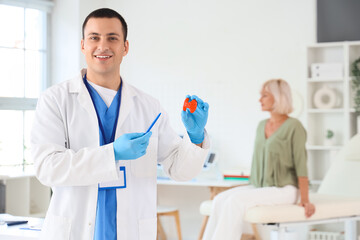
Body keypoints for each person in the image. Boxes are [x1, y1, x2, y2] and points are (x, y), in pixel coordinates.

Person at [31, 8, 210, 240]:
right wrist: (112, 153)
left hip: (131, 230)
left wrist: (194, 138)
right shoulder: (56, 99)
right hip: (74, 229)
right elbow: (47, 167)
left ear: (125, 47)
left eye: (112, 38)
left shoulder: (148, 106)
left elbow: (179, 169)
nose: (103, 46)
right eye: (94, 38)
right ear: (83, 45)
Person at [203, 79, 315, 240]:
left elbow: (301, 163)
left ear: (278, 98)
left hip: (286, 189)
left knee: (235, 201)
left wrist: (305, 199)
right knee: (219, 200)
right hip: (260, 186)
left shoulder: (294, 126)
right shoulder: (262, 125)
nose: (259, 99)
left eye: (265, 95)